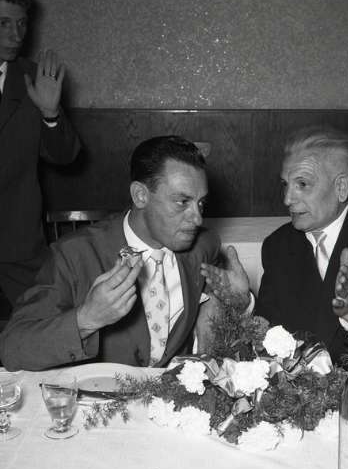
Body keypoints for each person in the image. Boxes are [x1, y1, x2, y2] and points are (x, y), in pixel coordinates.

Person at [202, 125, 348, 372]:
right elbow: (271, 338)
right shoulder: (278, 246)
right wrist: (244, 304)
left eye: (302, 184)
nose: (287, 199)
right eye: (285, 184)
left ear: (341, 187)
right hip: (303, 391)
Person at [0, 135, 242, 371]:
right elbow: (12, 348)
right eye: (182, 202)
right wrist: (87, 319)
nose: (197, 218)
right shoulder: (75, 255)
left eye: (201, 203)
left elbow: (216, 309)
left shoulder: (204, 246)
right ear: (140, 195)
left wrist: (238, 301)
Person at [0, 0, 80, 309]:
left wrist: (50, 113)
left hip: (19, 245)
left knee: (44, 323)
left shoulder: (36, 78)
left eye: (21, 24)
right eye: (3, 23)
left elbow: (66, 155)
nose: (16, 35)